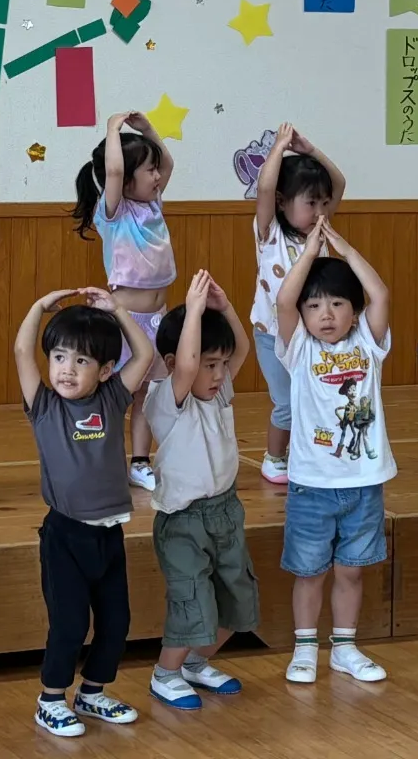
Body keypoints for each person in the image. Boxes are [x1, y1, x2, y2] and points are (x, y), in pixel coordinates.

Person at [14, 287, 156, 736]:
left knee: (116, 623)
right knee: (70, 624)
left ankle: (92, 693)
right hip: (65, 537)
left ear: (106, 369)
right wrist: (38, 307)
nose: (66, 369)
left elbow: (145, 354)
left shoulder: (112, 398)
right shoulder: (44, 406)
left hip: (109, 535)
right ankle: (51, 700)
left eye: (81, 361)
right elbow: (21, 351)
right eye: (59, 357)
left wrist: (118, 310)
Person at [273, 216, 394, 685]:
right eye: (315, 305)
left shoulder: (368, 342)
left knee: (351, 572)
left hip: (363, 484)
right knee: (309, 572)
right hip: (311, 485)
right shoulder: (299, 348)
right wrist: (309, 254)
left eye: (338, 303)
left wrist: (343, 248)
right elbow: (284, 300)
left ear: (354, 312)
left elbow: (380, 293)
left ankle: (344, 648)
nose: (325, 314)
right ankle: (305, 649)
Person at [146, 273, 258, 712]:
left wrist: (224, 307)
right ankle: (165, 673)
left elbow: (242, 349)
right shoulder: (166, 400)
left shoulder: (220, 393)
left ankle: (194, 663)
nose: (218, 374)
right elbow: (188, 366)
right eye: (210, 364)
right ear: (174, 362)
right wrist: (193, 310)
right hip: (183, 523)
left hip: (226, 512)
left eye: (221, 365)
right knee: (193, 599)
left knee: (237, 600)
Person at [71, 111, 175, 492]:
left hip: (157, 318)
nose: (158, 175)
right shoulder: (113, 212)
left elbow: (168, 162)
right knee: (118, 394)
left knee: (147, 395)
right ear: (127, 178)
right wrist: (113, 129)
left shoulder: (153, 204)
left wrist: (147, 129)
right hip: (126, 320)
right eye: (149, 170)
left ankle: (140, 461)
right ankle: (104, 459)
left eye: (155, 170)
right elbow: (113, 171)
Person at [250, 123, 345, 486]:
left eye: (323, 203)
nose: (320, 211)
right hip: (272, 336)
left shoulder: (319, 232)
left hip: (313, 337)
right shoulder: (269, 232)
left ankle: (308, 453)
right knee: (287, 403)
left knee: (315, 398)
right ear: (281, 202)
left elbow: (339, 183)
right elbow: (264, 188)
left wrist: (311, 151)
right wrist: (278, 147)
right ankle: (274, 458)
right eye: (310, 203)